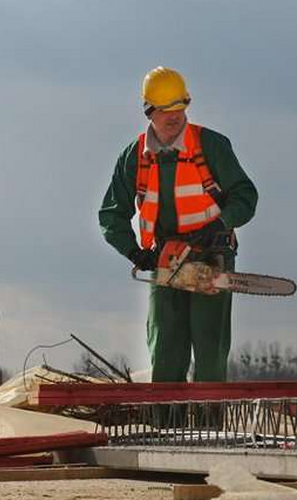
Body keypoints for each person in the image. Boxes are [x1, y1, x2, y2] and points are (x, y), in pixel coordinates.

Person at [98, 66, 258, 383]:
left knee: (210, 349)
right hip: (166, 260)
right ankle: (166, 427)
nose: (174, 116)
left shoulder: (210, 145)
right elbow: (111, 214)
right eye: (166, 110)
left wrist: (222, 223)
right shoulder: (135, 156)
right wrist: (135, 253)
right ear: (149, 110)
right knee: (165, 350)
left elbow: (245, 196)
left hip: (211, 257)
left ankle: (210, 428)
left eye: (180, 107)